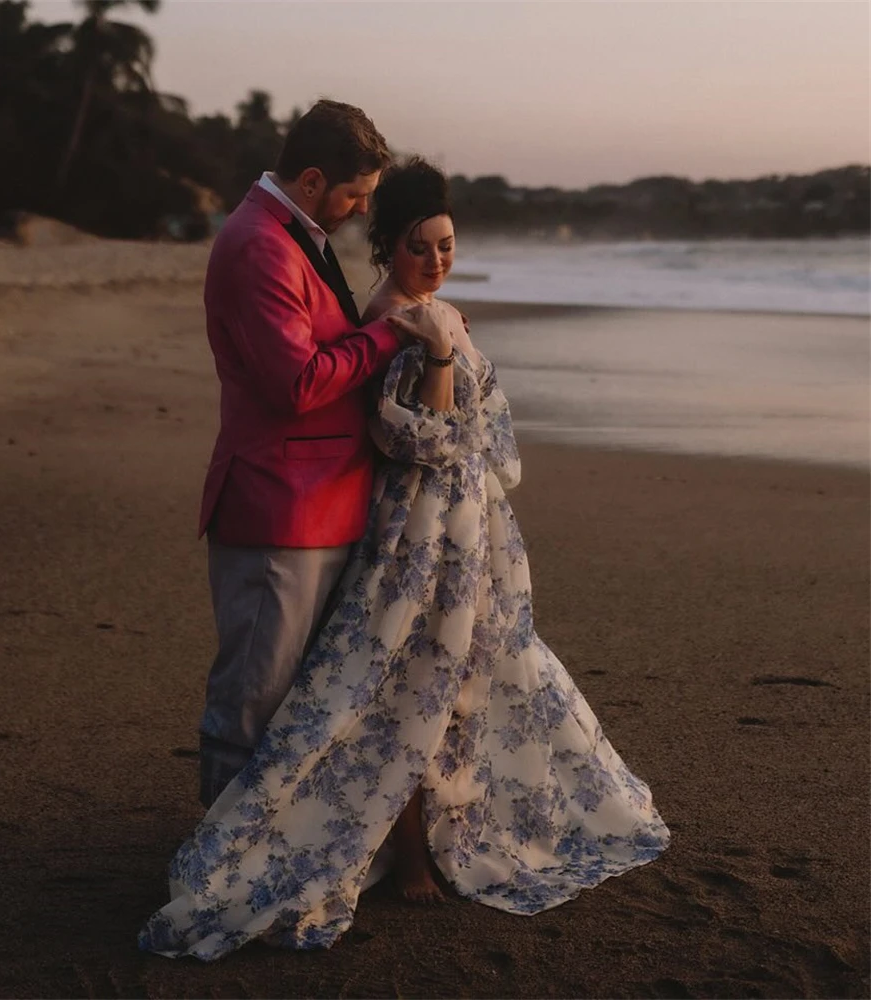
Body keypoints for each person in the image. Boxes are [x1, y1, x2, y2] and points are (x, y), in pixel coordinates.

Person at [141, 159, 670, 962]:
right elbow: (411, 439)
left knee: (466, 676)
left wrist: (464, 407)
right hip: (415, 534)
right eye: (420, 247)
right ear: (388, 248)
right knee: (406, 681)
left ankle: (448, 830)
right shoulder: (394, 319)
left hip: (470, 526)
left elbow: (488, 437)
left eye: (447, 245)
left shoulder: (435, 312)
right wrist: (442, 365)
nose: (437, 261)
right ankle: (399, 851)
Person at [195, 101, 450, 808]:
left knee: (293, 705)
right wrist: (395, 334)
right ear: (312, 179)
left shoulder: (295, 233)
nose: (361, 210)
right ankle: (216, 876)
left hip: (319, 502)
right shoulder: (258, 245)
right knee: (249, 705)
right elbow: (296, 383)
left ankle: (255, 858)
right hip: (278, 508)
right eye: (355, 195)